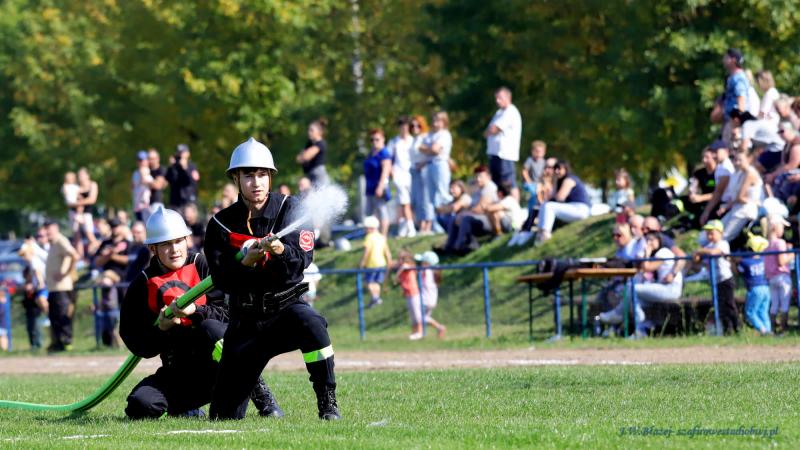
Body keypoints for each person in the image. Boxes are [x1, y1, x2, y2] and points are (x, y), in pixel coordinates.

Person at [205, 137, 340, 420]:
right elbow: (222, 279)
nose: (256, 182)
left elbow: (301, 262)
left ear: (271, 177)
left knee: (313, 323)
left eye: (262, 175)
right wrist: (245, 263)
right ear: (236, 179)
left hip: (285, 312)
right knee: (222, 417)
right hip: (245, 321)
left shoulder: (292, 209)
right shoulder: (219, 224)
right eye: (248, 175)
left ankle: (327, 403)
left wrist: (280, 251)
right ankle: (259, 389)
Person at [121, 206, 281, 419]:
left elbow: (231, 314)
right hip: (178, 372)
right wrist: (162, 329)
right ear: (153, 249)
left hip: (219, 369)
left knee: (211, 327)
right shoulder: (142, 284)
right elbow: (137, 342)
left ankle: (263, 399)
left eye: (179, 241)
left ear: (186, 240)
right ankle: (186, 409)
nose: (174, 249)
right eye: (166, 244)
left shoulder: (203, 266)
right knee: (140, 405)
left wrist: (196, 311)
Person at [700, 150, 762, 246]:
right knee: (707, 236)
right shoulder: (739, 174)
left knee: (722, 238)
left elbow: (740, 197)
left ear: (748, 159)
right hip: (736, 209)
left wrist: (754, 202)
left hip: (745, 212)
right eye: (735, 160)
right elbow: (737, 197)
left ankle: (708, 252)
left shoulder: (750, 173)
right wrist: (726, 207)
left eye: (740, 160)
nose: (737, 163)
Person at [439, 165, 498, 255]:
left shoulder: (489, 187)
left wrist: (465, 213)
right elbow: (471, 206)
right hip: (479, 219)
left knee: (465, 219)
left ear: (488, 177)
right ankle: (449, 247)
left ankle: (460, 246)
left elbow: (480, 208)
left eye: (480, 176)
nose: (478, 179)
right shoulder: (479, 190)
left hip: (490, 221)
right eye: (476, 176)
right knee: (455, 218)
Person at [694, 220, 738, 334]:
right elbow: (697, 259)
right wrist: (697, 255)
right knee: (720, 306)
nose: (709, 236)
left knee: (729, 304)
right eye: (707, 234)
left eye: (712, 233)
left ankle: (736, 327)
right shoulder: (708, 246)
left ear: (720, 233)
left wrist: (701, 251)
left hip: (725, 279)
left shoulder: (723, 244)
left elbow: (714, 252)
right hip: (716, 281)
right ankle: (727, 329)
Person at [44, 221, 79, 352]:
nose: (47, 232)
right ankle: (58, 343)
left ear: (56, 228)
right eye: (46, 229)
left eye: (49, 229)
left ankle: (66, 342)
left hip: (62, 288)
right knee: (55, 317)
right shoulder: (53, 243)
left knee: (63, 316)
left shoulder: (61, 240)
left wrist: (65, 273)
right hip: (53, 288)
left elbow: (74, 255)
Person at [536, 160, 590, 243]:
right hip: (572, 208)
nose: (556, 171)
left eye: (559, 169)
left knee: (548, 206)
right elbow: (550, 198)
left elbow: (560, 198)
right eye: (555, 169)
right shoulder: (559, 180)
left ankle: (545, 233)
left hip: (580, 209)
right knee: (545, 204)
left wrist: (553, 184)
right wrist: (554, 181)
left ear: (566, 169)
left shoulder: (569, 179)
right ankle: (539, 232)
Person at [485, 87, 522, 200]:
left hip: (505, 154)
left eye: (500, 98)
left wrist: (492, 130)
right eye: (496, 98)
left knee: (509, 183)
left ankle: (514, 206)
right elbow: (487, 132)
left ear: (508, 98)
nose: (497, 101)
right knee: (497, 183)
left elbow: (494, 129)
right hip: (495, 153)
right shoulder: (499, 113)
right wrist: (491, 131)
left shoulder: (511, 111)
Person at [419, 111, 454, 229]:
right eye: (434, 120)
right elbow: (421, 148)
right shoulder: (430, 134)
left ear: (444, 122)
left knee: (443, 193)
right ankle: (436, 225)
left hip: (440, 164)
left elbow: (435, 150)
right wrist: (431, 149)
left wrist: (429, 149)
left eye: (438, 120)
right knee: (432, 196)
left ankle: (448, 220)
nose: (435, 123)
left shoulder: (444, 134)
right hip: (430, 164)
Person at [737, 234, 771, 335]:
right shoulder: (764, 259)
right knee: (763, 312)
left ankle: (763, 331)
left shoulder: (745, 261)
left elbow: (738, 271)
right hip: (766, 288)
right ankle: (768, 331)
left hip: (755, 289)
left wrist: (734, 262)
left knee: (750, 313)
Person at [389, 116, 417, 238]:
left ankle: (404, 227)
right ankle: (411, 228)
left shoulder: (413, 140)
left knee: (409, 203)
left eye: (405, 126)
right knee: (404, 202)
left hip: (412, 175)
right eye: (401, 126)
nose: (404, 129)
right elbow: (388, 159)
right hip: (399, 175)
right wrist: (392, 174)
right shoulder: (394, 142)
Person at [764, 215, 793, 334]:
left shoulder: (767, 245)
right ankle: (783, 329)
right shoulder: (780, 243)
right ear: (775, 227)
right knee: (784, 304)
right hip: (782, 277)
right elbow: (781, 261)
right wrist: (791, 254)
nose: (783, 230)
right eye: (782, 227)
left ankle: (772, 329)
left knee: (774, 305)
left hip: (771, 278)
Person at [19, 240, 49, 350]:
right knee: (37, 301)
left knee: (41, 300)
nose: (23, 258)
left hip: (44, 286)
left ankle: (49, 316)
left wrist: (39, 284)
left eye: (24, 255)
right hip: (41, 286)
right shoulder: (30, 263)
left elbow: (38, 273)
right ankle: (48, 316)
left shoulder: (34, 261)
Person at [410, 251, 446, 339]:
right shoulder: (432, 272)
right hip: (430, 300)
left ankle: (439, 327)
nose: (420, 264)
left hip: (426, 300)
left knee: (421, 317)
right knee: (424, 318)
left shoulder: (427, 271)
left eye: (423, 262)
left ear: (428, 263)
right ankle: (420, 333)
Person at [363, 129, 392, 236]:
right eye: (372, 140)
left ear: (383, 139)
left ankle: (383, 237)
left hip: (379, 188)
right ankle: (371, 237)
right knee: (369, 214)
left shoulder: (384, 153)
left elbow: (386, 171)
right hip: (370, 188)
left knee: (382, 212)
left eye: (377, 139)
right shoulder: (371, 153)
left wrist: (380, 186)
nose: (374, 142)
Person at [359, 215, 392, 309]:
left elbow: (367, 251)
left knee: (369, 282)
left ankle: (375, 298)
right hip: (381, 263)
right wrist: (389, 260)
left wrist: (362, 262)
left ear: (371, 228)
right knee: (376, 282)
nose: (365, 230)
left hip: (371, 264)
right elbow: (387, 251)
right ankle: (376, 298)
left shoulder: (369, 237)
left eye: (366, 228)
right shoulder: (381, 237)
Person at [699, 141, 735, 226]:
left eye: (716, 152)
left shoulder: (726, 167)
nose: (714, 155)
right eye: (713, 152)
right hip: (724, 203)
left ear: (726, 151)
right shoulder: (720, 166)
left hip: (728, 205)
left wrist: (706, 211)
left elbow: (718, 192)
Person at [409, 115, 434, 234]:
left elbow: (432, 154)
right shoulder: (414, 139)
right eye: (412, 125)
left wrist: (423, 164)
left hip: (423, 170)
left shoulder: (426, 137)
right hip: (414, 170)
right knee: (417, 200)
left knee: (425, 199)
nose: (415, 128)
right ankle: (421, 225)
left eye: (418, 125)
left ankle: (428, 225)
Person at [296, 119, 330, 187]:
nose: (309, 132)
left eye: (311, 130)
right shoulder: (310, 144)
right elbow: (298, 159)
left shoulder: (321, 143)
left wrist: (303, 155)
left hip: (318, 175)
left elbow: (306, 157)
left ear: (319, 132)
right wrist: (303, 156)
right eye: (308, 130)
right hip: (310, 175)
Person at [166, 143, 200, 209]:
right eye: (179, 152)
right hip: (175, 201)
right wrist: (171, 167)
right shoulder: (174, 166)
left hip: (188, 199)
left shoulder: (192, 166)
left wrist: (185, 168)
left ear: (188, 153)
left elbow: (192, 181)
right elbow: (169, 179)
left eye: (182, 152)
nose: (180, 154)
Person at [75, 167, 99, 258]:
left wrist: (78, 202)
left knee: (89, 234)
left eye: (82, 174)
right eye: (79, 175)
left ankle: (98, 249)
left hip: (87, 213)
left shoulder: (92, 184)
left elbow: (92, 200)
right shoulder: (77, 187)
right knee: (77, 237)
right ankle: (80, 258)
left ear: (87, 175)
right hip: (77, 214)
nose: (80, 177)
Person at [521, 140, 547, 210]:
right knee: (533, 192)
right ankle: (531, 210)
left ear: (544, 152)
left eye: (540, 151)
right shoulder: (530, 160)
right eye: (536, 151)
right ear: (532, 151)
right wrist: (529, 181)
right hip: (530, 183)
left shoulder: (544, 162)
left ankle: (541, 207)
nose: (538, 153)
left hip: (539, 184)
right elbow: (524, 171)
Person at [132, 150, 154, 222]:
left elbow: (146, 181)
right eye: (139, 160)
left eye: (142, 160)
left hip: (145, 205)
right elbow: (132, 186)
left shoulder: (148, 171)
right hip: (137, 204)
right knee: (139, 224)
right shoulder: (135, 173)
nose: (141, 162)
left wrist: (143, 173)